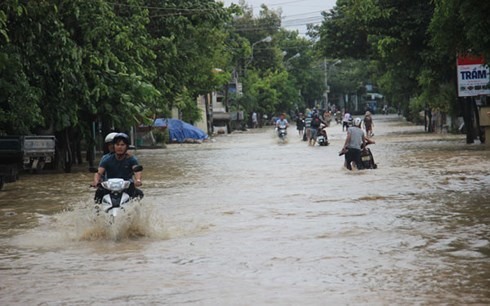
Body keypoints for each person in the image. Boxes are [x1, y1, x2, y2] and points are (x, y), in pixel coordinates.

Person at [93, 133, 143, 203]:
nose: (120, 147)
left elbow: (137, 171)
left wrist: (138, 180)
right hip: (109, 187)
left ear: (126, 147)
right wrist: (96, 181)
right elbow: (99, 172)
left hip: (126, 187)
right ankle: (98, 212)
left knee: (139, 194)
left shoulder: (132, 159)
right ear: (114, 146)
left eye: (122, 145)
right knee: (99, 193)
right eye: (117, 145)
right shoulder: (106, 159)